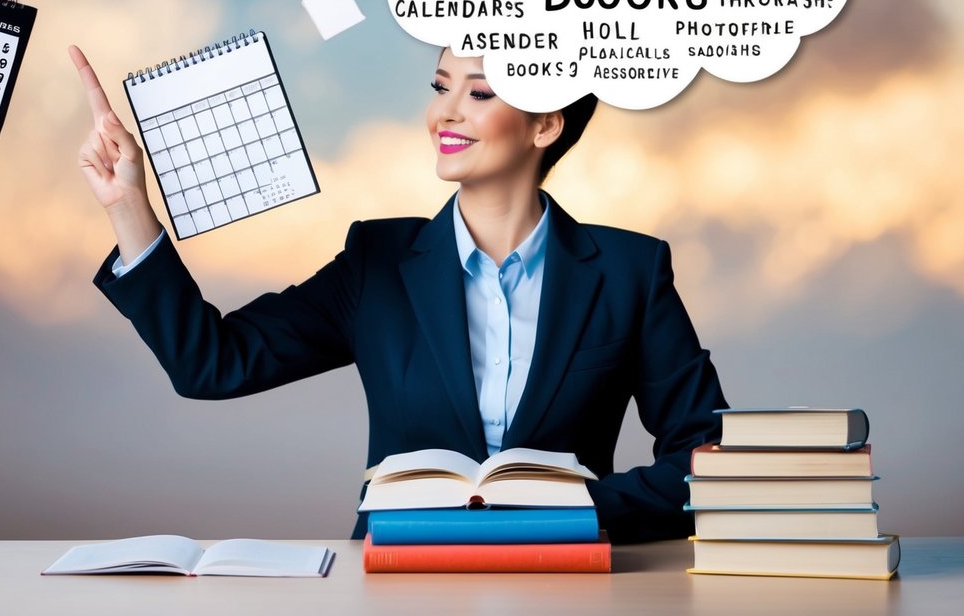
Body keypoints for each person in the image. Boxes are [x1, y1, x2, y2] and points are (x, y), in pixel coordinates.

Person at [71, 43, 728, 543]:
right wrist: (129, 204)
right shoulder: (376, 264)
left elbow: (707, 460)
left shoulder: (628, 269)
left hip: (567, 581)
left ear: (545, 125)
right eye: (441, 87)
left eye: (478, 94)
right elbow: (211, 363)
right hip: (393, 581)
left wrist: (579, 505)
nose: (442, 112)